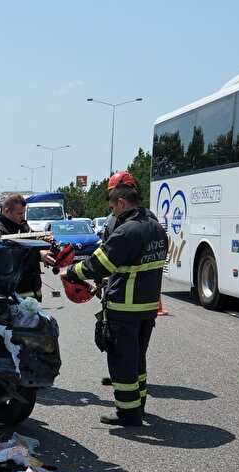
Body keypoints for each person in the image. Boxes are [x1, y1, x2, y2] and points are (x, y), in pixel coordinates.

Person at [64, 172, 167, 426]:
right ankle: (139, 405)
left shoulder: (127, 230)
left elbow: (98, 265)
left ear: (121, 202)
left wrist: (71, 271)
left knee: (122, 362)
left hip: (125, 307)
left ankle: (127, 413)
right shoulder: (154, 226)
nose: (111, 212)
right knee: (138, 359)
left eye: (111, 206)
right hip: (147, 308)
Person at [0, 192, 56, 299]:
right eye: (19, 213)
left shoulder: (21, 225)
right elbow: (12, 258)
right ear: (7, 211)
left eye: (23, 213)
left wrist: (44, 240)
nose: (22, 217)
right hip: (15, 295)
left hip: (32, 291)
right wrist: (38, 255)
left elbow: (33, 238)